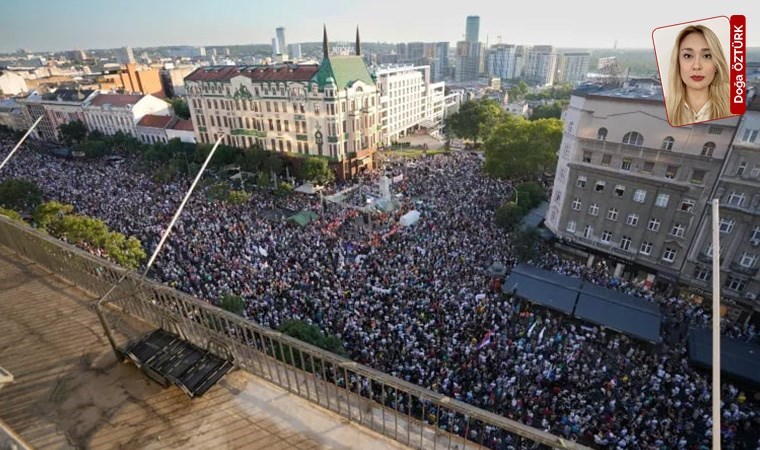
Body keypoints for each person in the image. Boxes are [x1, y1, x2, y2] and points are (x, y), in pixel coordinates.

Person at [665, 24, 731, 126]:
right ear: (678, 63)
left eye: (707, 56)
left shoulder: (733, 108)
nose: (697, 66)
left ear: (717, 65)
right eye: (688, 56)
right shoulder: (664, 109)